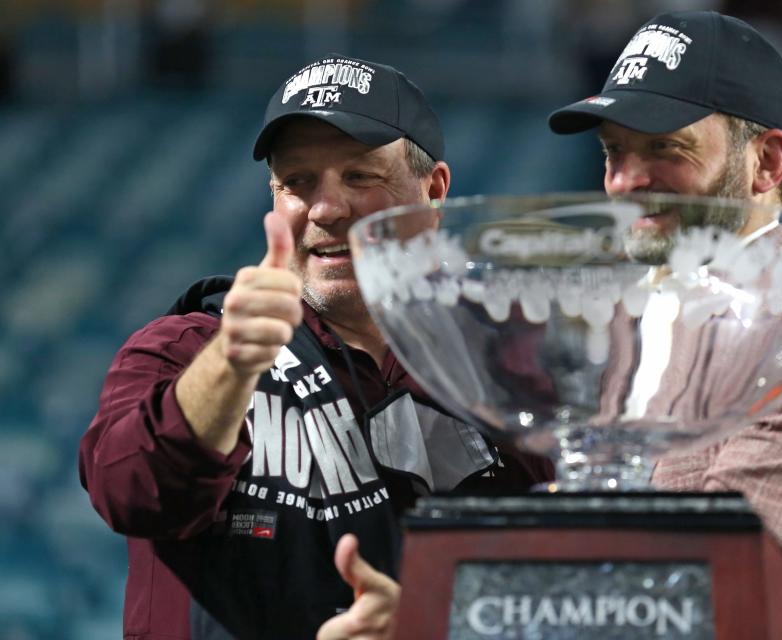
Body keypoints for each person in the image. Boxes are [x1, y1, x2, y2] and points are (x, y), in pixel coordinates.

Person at [79, 54, 551, 640]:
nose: (326, 209)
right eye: (297, 182)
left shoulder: (503, 375)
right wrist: (232, 364)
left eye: (360, 176)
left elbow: (552, 584)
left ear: (433, 191)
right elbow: (134, 494)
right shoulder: (188, 346)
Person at [548, 10, 782, 639]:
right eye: (614, 150)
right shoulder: (616, 334)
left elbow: (704, 588)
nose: (624, 182)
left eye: (666, 148)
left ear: (767, 164)